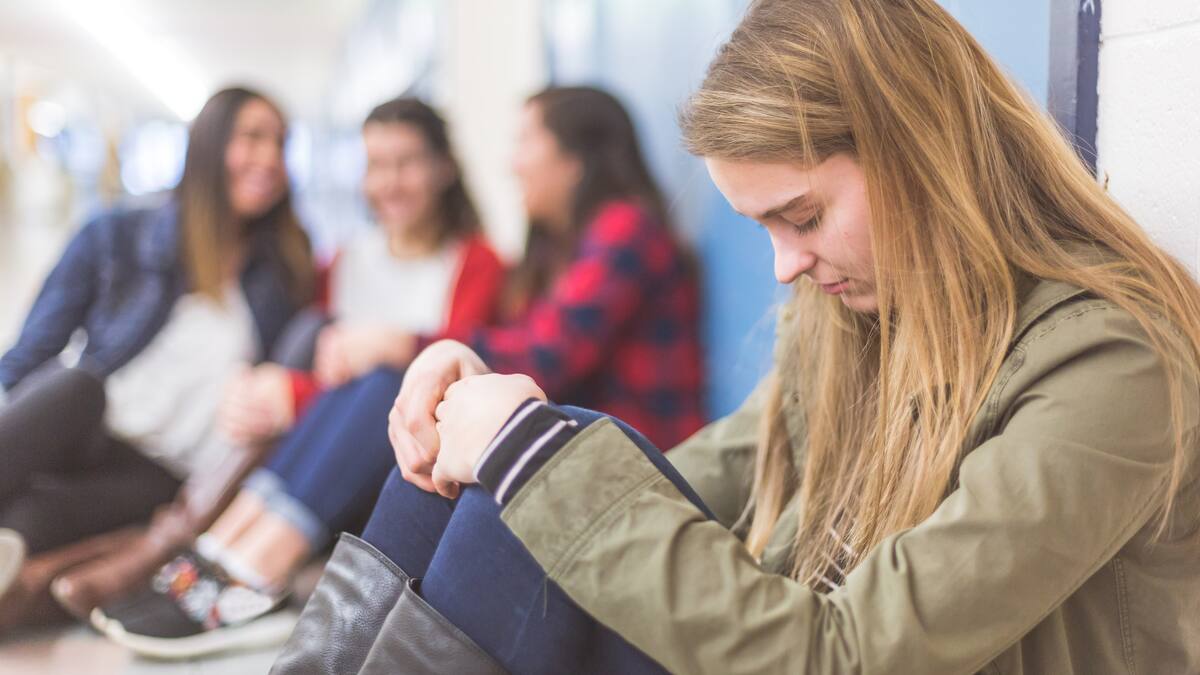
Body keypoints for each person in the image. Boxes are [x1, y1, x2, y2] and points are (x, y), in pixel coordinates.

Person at [274, 1, 1200, 673]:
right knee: (491, 487)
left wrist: (524, 447)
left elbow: (848, 657)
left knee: (535, 483)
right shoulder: (857, 321)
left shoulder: (1112, 364)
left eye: (801, 214)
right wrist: (493, 431)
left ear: (929, 153)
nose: (784, 267)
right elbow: (677, 476)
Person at [96, 86, 705, 659]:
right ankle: (220, 559)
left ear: (576, 158)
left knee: (393, 379)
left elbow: (543, 359)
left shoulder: (621, 231)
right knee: (373, 376)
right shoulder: (561, 246)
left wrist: (398, 345)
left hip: (616, 456)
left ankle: (245, 573)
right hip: (563, 443)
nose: (513, 163)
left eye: (525, 143)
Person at [0, 87, 314, 632]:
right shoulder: (116, 233)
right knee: (75, 386)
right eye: (252, 138)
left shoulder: (282, 274)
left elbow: (292, 380)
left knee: (29, 519)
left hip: (161, 472)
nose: (270, 158)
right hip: (88, 427)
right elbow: (30, 353)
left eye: (281, 144)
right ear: (210, 145)